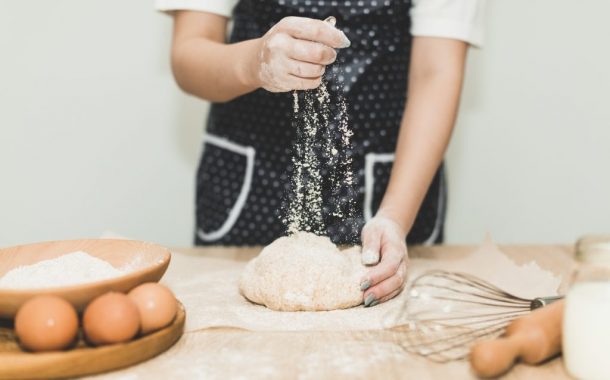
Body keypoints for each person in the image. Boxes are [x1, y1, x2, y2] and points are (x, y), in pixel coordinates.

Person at [156, 0, 485, 306]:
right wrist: (255, 61)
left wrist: (395, 216)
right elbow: (189, 52)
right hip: (248, 186)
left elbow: (436, 72)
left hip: (387, 186)